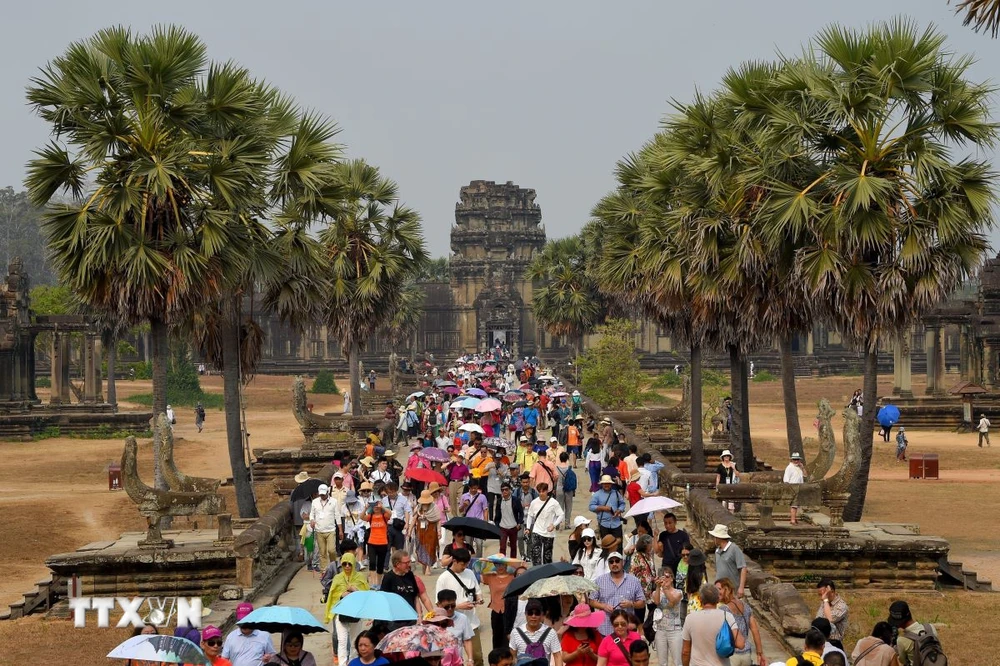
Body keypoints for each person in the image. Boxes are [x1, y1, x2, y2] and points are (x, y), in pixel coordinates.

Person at [436, 548, 484, 666]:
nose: (464, 567)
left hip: (471, 622)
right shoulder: (443, 578)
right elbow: (439, 605)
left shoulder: (470, 573)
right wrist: (458, 606)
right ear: (455, 561)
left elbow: (477, 591)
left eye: (467, 564)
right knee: (453, 659)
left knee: (477, 657)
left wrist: (479, 599)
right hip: (452, 624)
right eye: (463, 564)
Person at [323, 552, 370, 665]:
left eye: (350, 564)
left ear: (354, 564)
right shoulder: (337, 578)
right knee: (342, 641)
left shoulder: (360, 577)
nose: (347, 566)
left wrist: (355, 590)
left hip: (356, 613)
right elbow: (332, 596)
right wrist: (341, 594)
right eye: (344, 564)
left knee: (355, 641)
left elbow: (367, 595)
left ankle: (353, 663)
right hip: (341, 613)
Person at [681, 584, 744, 666]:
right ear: (718, 599)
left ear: (700, 599)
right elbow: (740, 644)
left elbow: (685, 651)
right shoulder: (727, 616)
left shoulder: (690, 618)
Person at [588, 552, 646, 637]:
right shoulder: (599, 580)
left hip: (626, 628)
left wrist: (631, 604)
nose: (614, 564)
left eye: (617, 561)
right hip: (606, 628)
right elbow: (591, 601)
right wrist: (603, 606)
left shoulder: (634, 581)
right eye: (611, 562)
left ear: (622, 562)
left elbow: (642, 603)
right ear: (608, 564)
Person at [717, 577, 766, 666]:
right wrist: (760, 653)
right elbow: (755, 631)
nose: (716, 592)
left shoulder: (723, 610)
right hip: (746, 654)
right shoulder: (746, 606)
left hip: (731, 655)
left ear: (727, 589)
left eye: (719, 589)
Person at [380, 549, 434, 623]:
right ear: (397, 564)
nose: (409, 565)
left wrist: (419, 615)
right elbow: (384, 599)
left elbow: (415, 597)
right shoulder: (388, 577)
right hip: (396, 620)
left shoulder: (410, 575)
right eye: (406, 563)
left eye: (409, 562)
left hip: (411, 617)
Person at [510, 599, 563, 666]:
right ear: (525, 614)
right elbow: (513, 657)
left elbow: (557, 656)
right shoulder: (515, 632)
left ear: (542, 615)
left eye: (537, 613)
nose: (533, 616)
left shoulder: (551, 633)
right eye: (530, 613)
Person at [888, 600, 941, 666]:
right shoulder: (930, 627)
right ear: (909, 613)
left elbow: (903, 661)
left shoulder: (901, 640)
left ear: (898, 624)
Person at [482, 561, 519, 650]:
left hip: (509, 610)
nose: (500, 567)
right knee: (496, 636)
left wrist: (513, 563)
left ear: (506, 565)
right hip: (496, 610)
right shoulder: (490, 577)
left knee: (508, 636)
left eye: (502, 564)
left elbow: (521, 571)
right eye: (497, 565)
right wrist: (485, 563)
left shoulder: (512, 577)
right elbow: (478, 574)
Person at [526, 481, 565, 565]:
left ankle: (547, 573)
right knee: (536, 554)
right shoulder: (534, 502)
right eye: (539, 491)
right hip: (537, 530)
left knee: (547, 555)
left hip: (549, 532)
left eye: (543, 491)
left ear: (547, 491)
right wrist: (528, 528)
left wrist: (554, 525)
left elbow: (561, 514)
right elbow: (530, 515)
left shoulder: (554, 503)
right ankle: (536, 571)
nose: (541, 493)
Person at [652, 568, 683, 666]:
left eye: (667, 576)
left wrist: (665, 588)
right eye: (663, 577)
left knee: (678, 661)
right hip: (661, 630)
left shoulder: (678, 592)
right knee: (662, 662)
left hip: (675, 630)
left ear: (672, 578)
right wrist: (657, 587)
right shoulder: (656, 592)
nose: (665, 579)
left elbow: (672, 601)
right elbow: (656, 602)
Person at [309, 483, 343, 573]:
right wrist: (312, 520)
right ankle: (324, 570)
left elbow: (337, 516)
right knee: (322, 552)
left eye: (324, 494)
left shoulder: (334, 501)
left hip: (330, 530)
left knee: (331, 550)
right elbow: (312, 514)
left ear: (328, 492)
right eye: (321, 494)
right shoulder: (315, 502)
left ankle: (333, 567)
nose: (323, 496)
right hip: (319, 530)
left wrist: (340, 530)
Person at [437, 591, 476, 665]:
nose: (450, 609)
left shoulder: (462, 618)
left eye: (453, 606)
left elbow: (467, 640)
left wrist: (470, 660)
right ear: (439, 605)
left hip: (457, 662)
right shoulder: (431, 620)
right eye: (446, 607)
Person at [709, 524, 747, 598]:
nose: (713, 539)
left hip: (732, 589)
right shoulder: (717, 551)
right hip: (719, 590)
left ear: (719, 538)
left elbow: (743, 568)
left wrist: (741, 587)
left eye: (715, 537)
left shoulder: (734, 549)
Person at [627, 534, 655, 624]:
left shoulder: (649, 556)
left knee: (652, 613)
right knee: (639, 617)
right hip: (640, 592)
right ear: (645, 545)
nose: (652, 545)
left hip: (650, 591)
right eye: (650, 543)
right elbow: (631, 574)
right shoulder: (636, 557)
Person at [590, 475, 626, 540]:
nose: (607, 485)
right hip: (604, 524)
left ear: (611, 484)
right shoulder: (597, 495)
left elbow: (622, 504)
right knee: (606, 546)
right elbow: (591, 507)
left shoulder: (616, 493)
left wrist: (619, 510)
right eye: (605, 484)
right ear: (602, 484)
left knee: (618, 545)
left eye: (608, 483)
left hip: (616, 523)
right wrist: (602, 508)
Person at [414, 489, 441, 574]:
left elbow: (438, 520)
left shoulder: (434, 508)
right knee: (421, 548)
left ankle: (428, 567)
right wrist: (409, 529)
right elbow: (414, 518)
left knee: (430, 548)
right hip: (420, 531)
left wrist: (439, 531)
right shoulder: (418, 507)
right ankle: (424, 564)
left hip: (431, 531)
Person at [814, 579, 849, 644]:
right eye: (820, 595)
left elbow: (828, 621)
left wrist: (825, 600)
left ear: (832, 592)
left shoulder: (842, 606)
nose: (821, 597)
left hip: (834, 642)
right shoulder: (825, 603)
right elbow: (817, 620)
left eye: (824, 594)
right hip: (821, 640)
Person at [382, 482, 413, 554]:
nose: (390, 494)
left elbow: (407, 511)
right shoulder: (384, 500)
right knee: (388, 546)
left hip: (399, 525)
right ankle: (386, 564)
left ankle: (397, 562)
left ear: (396, 491)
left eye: (392, 492)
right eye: (388, 492)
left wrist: (407, 524)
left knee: (399, 547)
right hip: (388, 525)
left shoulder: (403, 499)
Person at [495, 482, 524, 558]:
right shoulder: (499, 501)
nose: (504, 491)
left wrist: (519, 523)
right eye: (502, 490)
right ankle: (502, 564)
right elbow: (497, 516)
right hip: (503, 527)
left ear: (510, 490)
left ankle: (513, 564)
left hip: (513, 527)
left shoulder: (515, 500)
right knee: (502, 547)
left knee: (513, 547)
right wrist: (497, 526)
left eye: (506, 489)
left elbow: (521, 513)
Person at [513, 474, 538, 559]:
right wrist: (521, 505)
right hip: (520, 518)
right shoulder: (517, 492)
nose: (525, 484)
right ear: (521, 482)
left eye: (527, 482)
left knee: (530, 538)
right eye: (523, 482)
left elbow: (538, 504)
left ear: (529, 482)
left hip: (531, 518)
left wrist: (532, 506)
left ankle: (529, 555)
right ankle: (522, 554)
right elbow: (513, 504)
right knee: (519, 536)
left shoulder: (534, 492)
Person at [365, 502, 390, 586]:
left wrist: (382, 506)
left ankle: (379, 583)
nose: (376, 507)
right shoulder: (370, 516)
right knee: (372, 563)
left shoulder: (384, 516)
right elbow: (362, 517)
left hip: (383, 542)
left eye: (377, 506)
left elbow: (390, 513)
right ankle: (372, 583)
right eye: (374, 506)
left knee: (380, 564)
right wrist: (366, 508)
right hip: (372, 542)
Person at [555, 452, 577, 529]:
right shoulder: (570, 468)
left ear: (560, 459)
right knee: (568, 507)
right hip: (568, 489)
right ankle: (567, 524)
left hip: (559, 489)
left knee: (559, 507)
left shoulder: (556, 468)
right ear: (567, 459)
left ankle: (557, 524)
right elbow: (573, 479)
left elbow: (555, 480)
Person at [783, 453, 805, 525]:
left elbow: (805, 475)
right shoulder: (789, 468)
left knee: (796, 505)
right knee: (794, 505)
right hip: (793, 487)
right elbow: (786, 479)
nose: (796, 461)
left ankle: (794, 518)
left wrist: (802, 468)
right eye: (795, 459)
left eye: (797, 459)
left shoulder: (799, 467)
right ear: (792, 460)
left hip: (799, 487)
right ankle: (792, 520)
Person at [684, 549, 708, 614]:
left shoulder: (689, 575)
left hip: (691, 605)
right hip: (700, 606)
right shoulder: (702, 576)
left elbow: (688, 593)